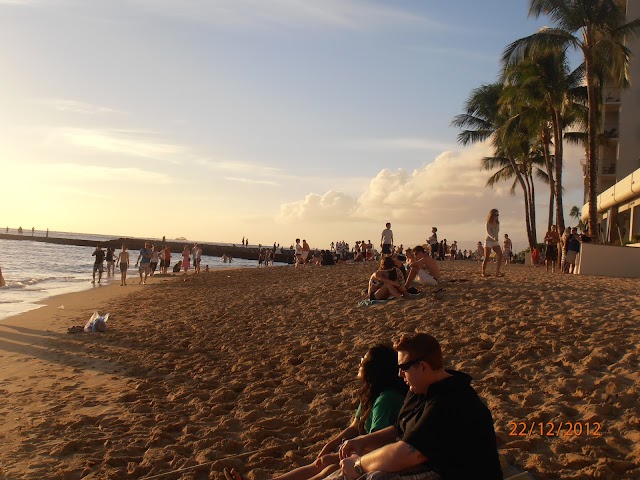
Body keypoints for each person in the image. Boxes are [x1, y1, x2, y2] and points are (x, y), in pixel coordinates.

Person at [225, 345, 408, 480]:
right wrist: (331, 443)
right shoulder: (371, 393)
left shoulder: (386, 399)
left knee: (328, 469)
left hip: (375, 452)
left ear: (375, 369)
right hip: (360, 446)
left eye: (364, 359)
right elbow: (355, 426)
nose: (360, 362)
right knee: (319, 464)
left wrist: (337, 455)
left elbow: (377, 442)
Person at [335, 333, 503, 480]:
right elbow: (399, 428)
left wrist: (359, 465)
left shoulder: (450, 400)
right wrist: (362, 441)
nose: (399, 374)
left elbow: (406, 453)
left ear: (423, 366)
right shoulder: (420, 387)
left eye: (403, 368)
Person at [482, 209, 503, 277]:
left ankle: (497, 271)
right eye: (495, 215)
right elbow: (488, 232)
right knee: (486, 257)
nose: (496, 216)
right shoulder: (488, 222)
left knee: (500, 255)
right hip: (488, 241)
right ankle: (483, 272)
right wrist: (493, 237)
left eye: (497, 215)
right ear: (492, 215)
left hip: (495, 241)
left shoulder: (497, 223)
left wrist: (496, 238)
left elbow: (497, 231)